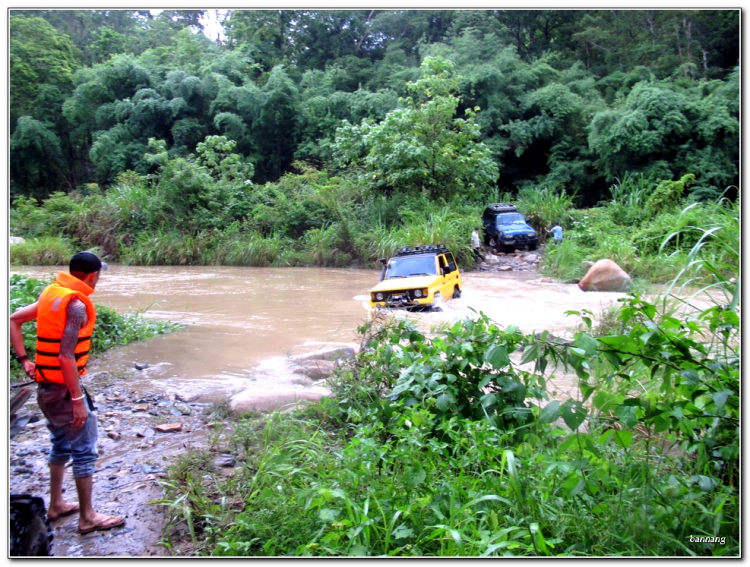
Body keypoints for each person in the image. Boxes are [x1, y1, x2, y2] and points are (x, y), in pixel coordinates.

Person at [10, 252, 125, 535]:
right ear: (90, 276)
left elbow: (13, 320)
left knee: (60, 443)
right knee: (84, 450)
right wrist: (77, 400)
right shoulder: (76, 305)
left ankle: (57, 504)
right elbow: (64, 356)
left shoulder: (53, 294)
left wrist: (24, 360)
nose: (99, 279)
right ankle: (87, 517)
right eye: (99, 274)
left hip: (46, 388)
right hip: (62, 391)